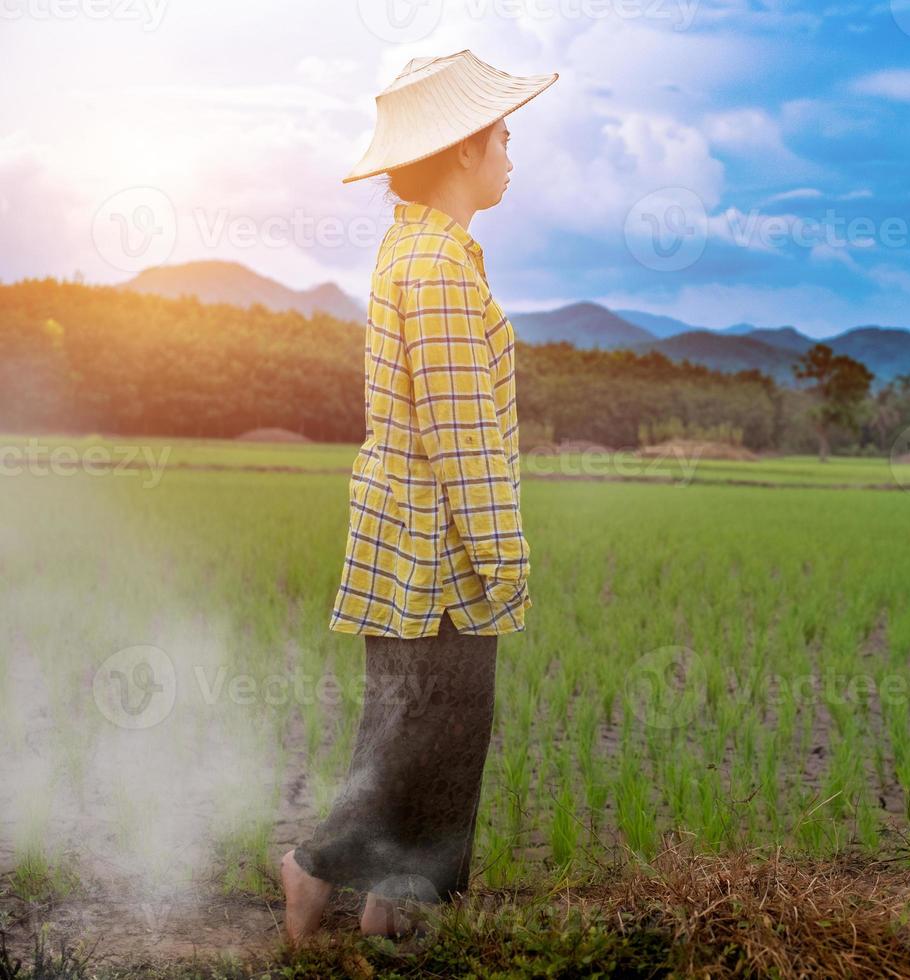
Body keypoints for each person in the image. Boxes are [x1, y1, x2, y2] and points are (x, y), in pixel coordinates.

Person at [280, 49, 557, 943]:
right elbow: (462, 437)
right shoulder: (437, 269)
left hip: (405, 551)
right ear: (466, 149)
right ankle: (328, 876)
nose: (512, 155)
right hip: (435, 559)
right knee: (435, 736)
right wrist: (505, 561)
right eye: (505, 138)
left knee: (406, 735)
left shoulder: (415, 249)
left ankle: (377, 906)